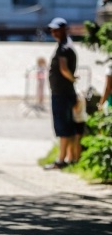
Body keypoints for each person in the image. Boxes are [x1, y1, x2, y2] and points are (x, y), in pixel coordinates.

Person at [44, 17, 78, 170]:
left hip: (62, 93)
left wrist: (72, 78)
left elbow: (64, 68)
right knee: (66, 126)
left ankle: (61, 160)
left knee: (63, 127)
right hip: (63, 92)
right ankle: (69, 158)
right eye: (52, 30)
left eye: (56, 29)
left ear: (64, 29)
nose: (53, 32)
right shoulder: (65, 45)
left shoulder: (64, 47)